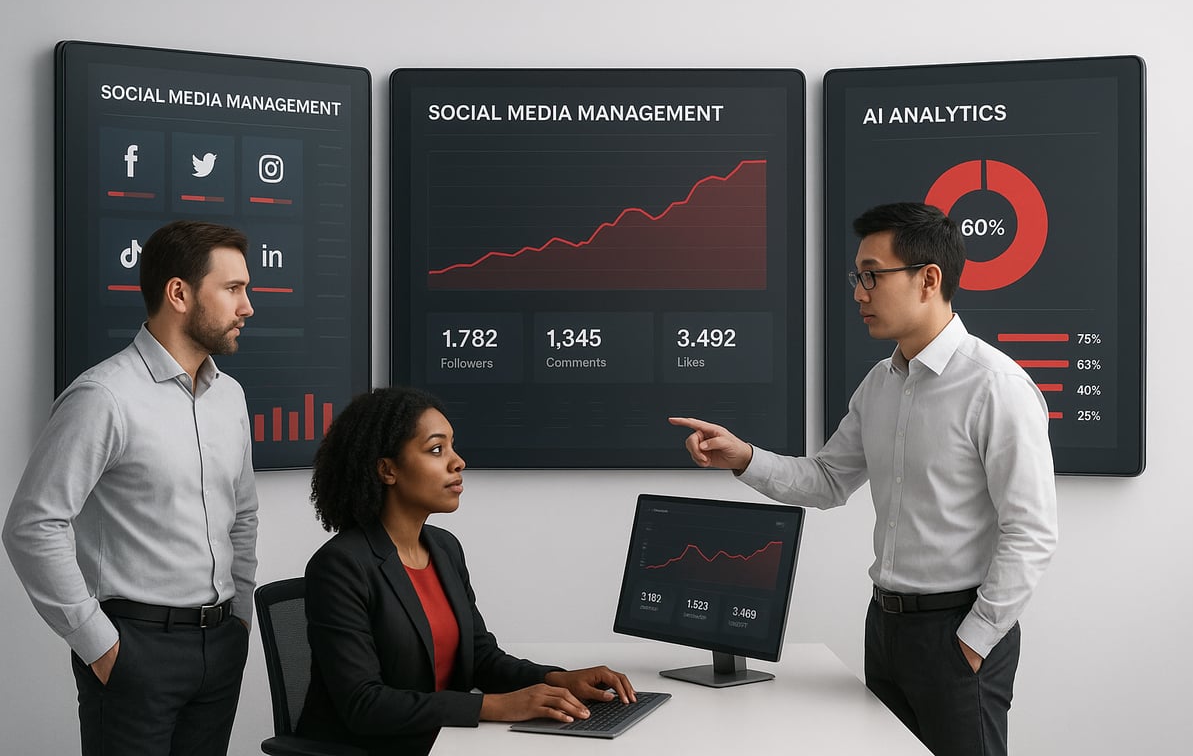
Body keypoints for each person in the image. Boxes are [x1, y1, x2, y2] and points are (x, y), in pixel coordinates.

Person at [670, 202, 1057, 756]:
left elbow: (1032, 531)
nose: (859, 292)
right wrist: (743, 456)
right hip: (886, 626)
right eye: (858, 276)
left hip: (958, 631)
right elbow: (827, 480)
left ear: (929, 279)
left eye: (872, 275)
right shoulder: (880, 383)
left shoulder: (996, 387)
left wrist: (973, 642)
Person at [3, 220, 258, 756]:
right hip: (135, 652)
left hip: (220, 646)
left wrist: (240, 619)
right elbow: (32, 525)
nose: (247, 306)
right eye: (233, 289)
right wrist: (100, 646)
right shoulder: (103, 397)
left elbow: (243, 515)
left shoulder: (230, 397)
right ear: (179, 293)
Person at [297, 385, 637, 756]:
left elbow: (481, 658)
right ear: (387, 469)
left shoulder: (444, 548)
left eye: (453, 447)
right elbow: (364, 704)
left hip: (446, 740)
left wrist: (557, 679)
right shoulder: (341, 566)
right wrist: (496, 706)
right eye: (436, 449)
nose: (458, 462)